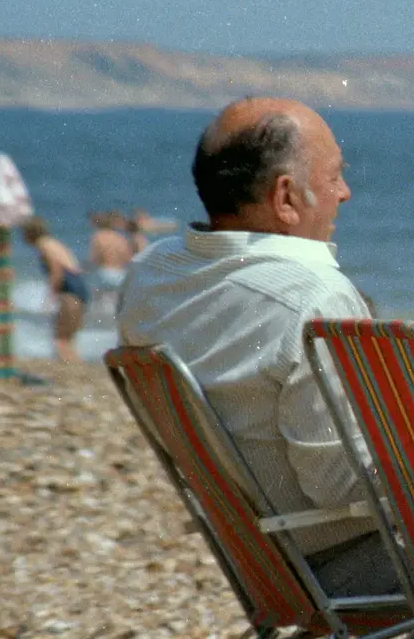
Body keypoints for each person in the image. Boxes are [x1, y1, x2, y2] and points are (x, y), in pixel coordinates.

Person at [118, 97, 394, 599]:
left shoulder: (148, 277)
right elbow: (340, 485)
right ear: (286, 197)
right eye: (334, 177)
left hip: (258, 567)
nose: (345, 193)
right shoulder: (315, 298)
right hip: (348, 565)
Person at [21, 217, 88, 362]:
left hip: (70, 290)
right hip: (79, 289)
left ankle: (71, 369)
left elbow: (56, 270)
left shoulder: (44, 245)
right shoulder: (53, 243)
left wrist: (50, 295)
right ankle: (75, 367)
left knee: (61, 338)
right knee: (68, 338)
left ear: (29, 233)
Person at [87, 210, 133, 313]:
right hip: (120, 274)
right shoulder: (120, 237)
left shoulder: (98, 236)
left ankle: (97, 325)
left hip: (104, 273)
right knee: (119, 303)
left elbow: (93, 258)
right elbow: (128, 259)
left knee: (97, 303)